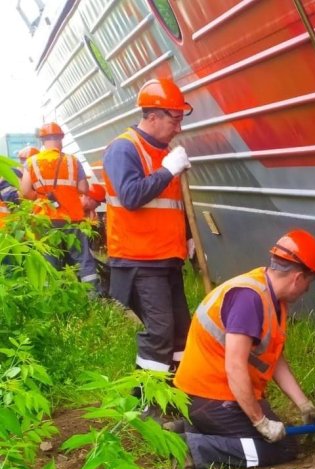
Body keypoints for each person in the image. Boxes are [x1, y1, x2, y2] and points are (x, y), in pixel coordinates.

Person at [173, 229, 315, 469]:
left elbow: (274, 360)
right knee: (282, 448)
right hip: (208, 396)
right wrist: (260, 422)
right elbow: (235, 366)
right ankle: (195, 448)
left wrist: (304, 404)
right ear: (298, 278)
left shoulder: (272, 298)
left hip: (217, 393)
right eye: (309, 282)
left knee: (277, 435)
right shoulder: (249, 299)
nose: (307, 290)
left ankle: (189, 429)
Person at [102, 78, 194, 374]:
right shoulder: (123, 149)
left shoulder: (164, 152)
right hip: (139, 260)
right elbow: (131, 196)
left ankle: (180, 396)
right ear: (153, 116)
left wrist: (188, 238)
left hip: (167, 257)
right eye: (175, 119)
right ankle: (150, 406)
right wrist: (168, 170)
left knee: (182, 332)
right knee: (160, 333)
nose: (178, 128)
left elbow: (172, 206)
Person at [19, 124, 98, 289]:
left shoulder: (31, 162)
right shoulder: (73, 161)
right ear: (61, 139)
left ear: (42, 140)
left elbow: (25, 191)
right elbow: (84, 188)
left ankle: (53, 298)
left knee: (49, 259)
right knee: (83, 259)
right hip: (72, 218)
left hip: (44, 219)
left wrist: (40, 196)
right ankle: (93, 298)